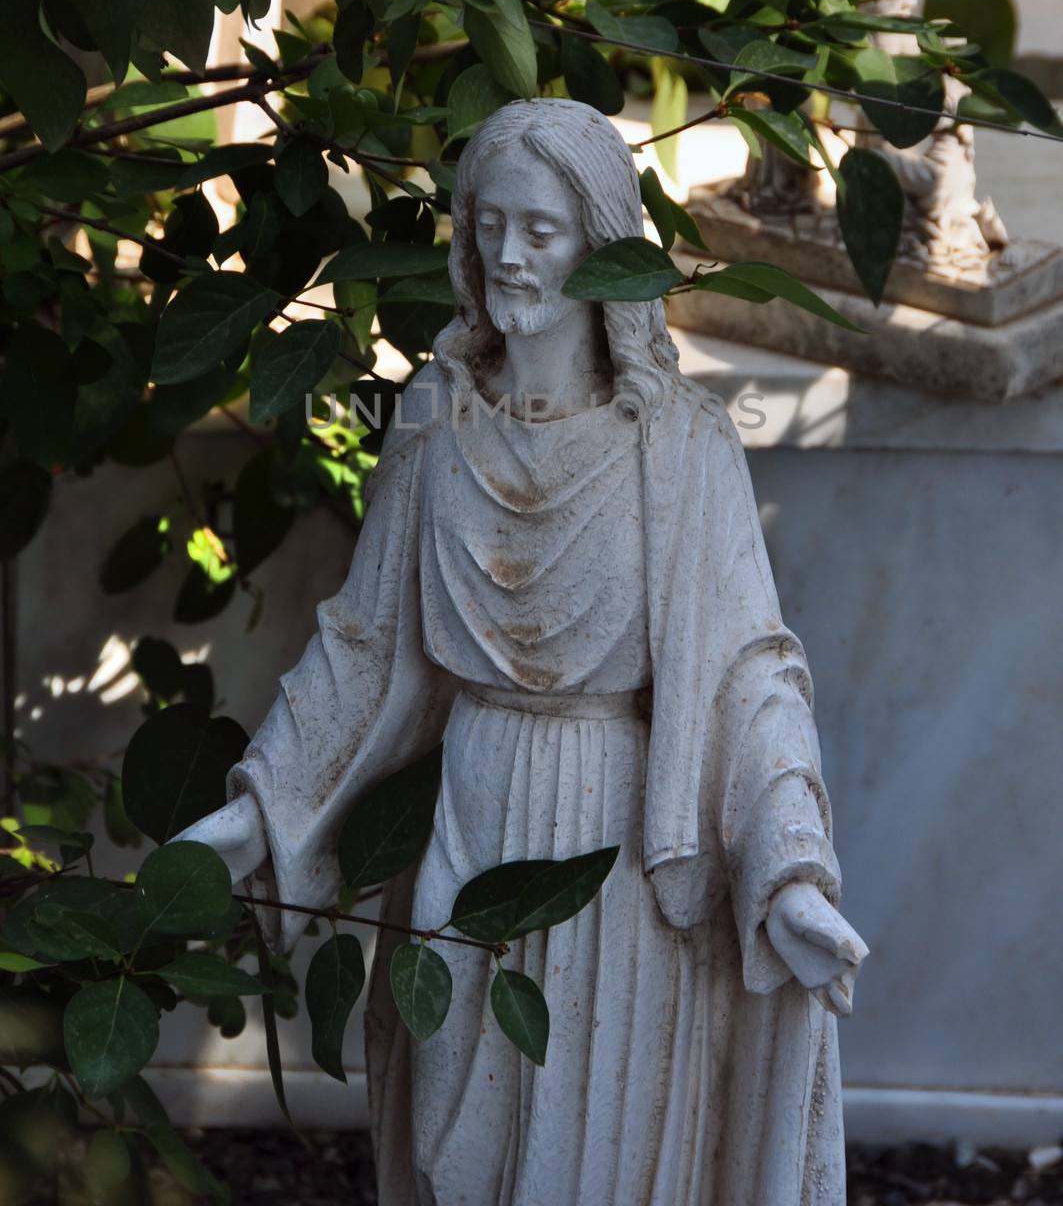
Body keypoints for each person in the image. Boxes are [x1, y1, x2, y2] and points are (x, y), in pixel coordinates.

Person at [178, 98, 868, 1205]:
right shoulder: (434, 419)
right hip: (465, 815)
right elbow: (364, 644)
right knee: (461, 1154)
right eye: (486, 223)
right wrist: (261, 804)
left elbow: (750, 672)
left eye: (539, 230)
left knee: (591, 1153)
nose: (506, 253)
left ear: (600, 244)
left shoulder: (680, 444)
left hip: (616, 850)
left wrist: (787, 867)